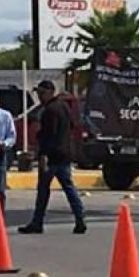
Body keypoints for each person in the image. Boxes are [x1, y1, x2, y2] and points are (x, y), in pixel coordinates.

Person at [19, 80, 87, 235]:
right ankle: (80, 217)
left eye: (42, 93)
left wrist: (43, 155)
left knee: (43, 190)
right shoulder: (64, 107)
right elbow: (70, 127)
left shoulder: (50, 110)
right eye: (38, 93)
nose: (40, 97)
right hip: (64, 154)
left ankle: (37, 222)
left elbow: (49, 136)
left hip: (52, 156)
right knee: (69, 188)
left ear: (50, 93)